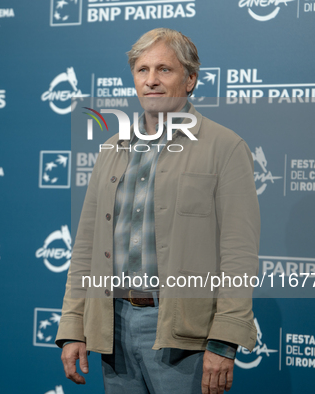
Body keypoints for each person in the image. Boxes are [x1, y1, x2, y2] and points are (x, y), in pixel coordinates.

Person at [56, 28, 260, 394]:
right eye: (142, 70)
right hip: (112, 327)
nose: (151, 80)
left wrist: (225, 338)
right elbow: (86, 245)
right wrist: (73, 324)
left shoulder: (225, 148)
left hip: (184, 337)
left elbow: (238, 254)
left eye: (164, 70)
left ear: (191, 79)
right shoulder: (112, 148)